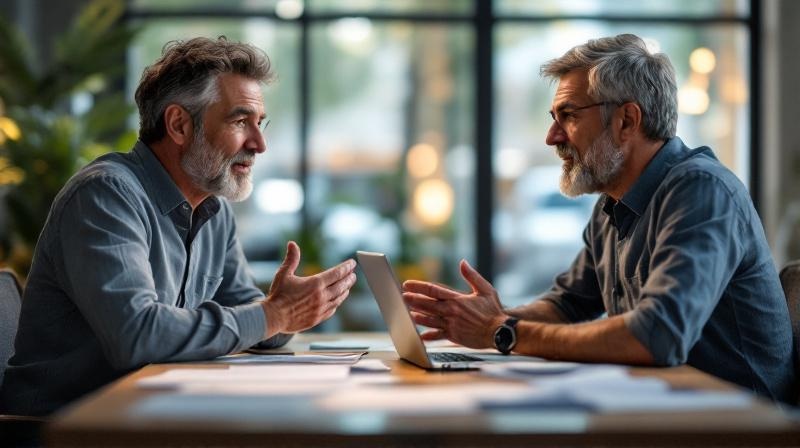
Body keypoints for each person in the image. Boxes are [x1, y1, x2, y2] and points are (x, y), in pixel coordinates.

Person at [403, 34, 796, 404]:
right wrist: (481, 318)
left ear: (627, 120)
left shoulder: (701, 191)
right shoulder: (612, 203)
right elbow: (567, 306)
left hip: (742, 425)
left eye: (568, 115)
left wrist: (501, 332)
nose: (552, 137)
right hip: (664, 408)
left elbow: (657, 337)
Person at [0, 37, 358, 416]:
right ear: (179, 125)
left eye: (260, 123)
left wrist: (290, 310)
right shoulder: (105, 195)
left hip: (152, 412)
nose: (259, 144)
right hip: (63, 427)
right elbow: (137, 335)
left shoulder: (213, 209)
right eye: (240, 121)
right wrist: (273, 315)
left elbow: (247, 314)